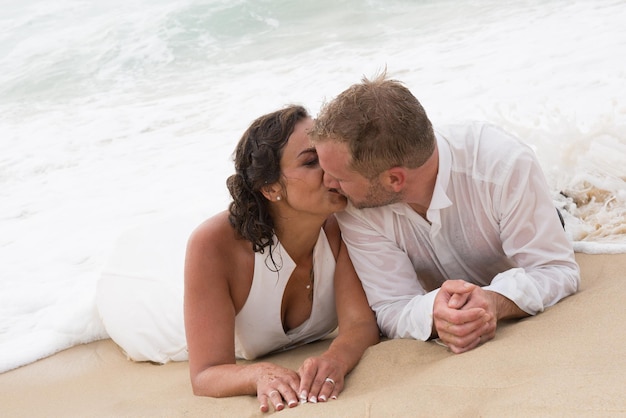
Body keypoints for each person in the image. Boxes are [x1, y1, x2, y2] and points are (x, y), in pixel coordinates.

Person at [310, 73, 580, 355]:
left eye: (339, 177)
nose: (329, 184)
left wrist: (494, 301)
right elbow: (391, 306)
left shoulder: (502, 164)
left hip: (543, 218)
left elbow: (555, 269)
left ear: (394, 180)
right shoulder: (355, 204)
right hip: (455, 284)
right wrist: (434, 314)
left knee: (565, 211)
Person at [183, 105, 379, 412]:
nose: (330, 168)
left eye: (328, 154)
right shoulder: (213, 245)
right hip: (165, 325)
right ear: (271, 187)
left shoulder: (345, 221)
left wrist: (334, 360)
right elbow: (205, 374)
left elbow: (360, 325)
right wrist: (258, 374)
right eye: (312, 161)